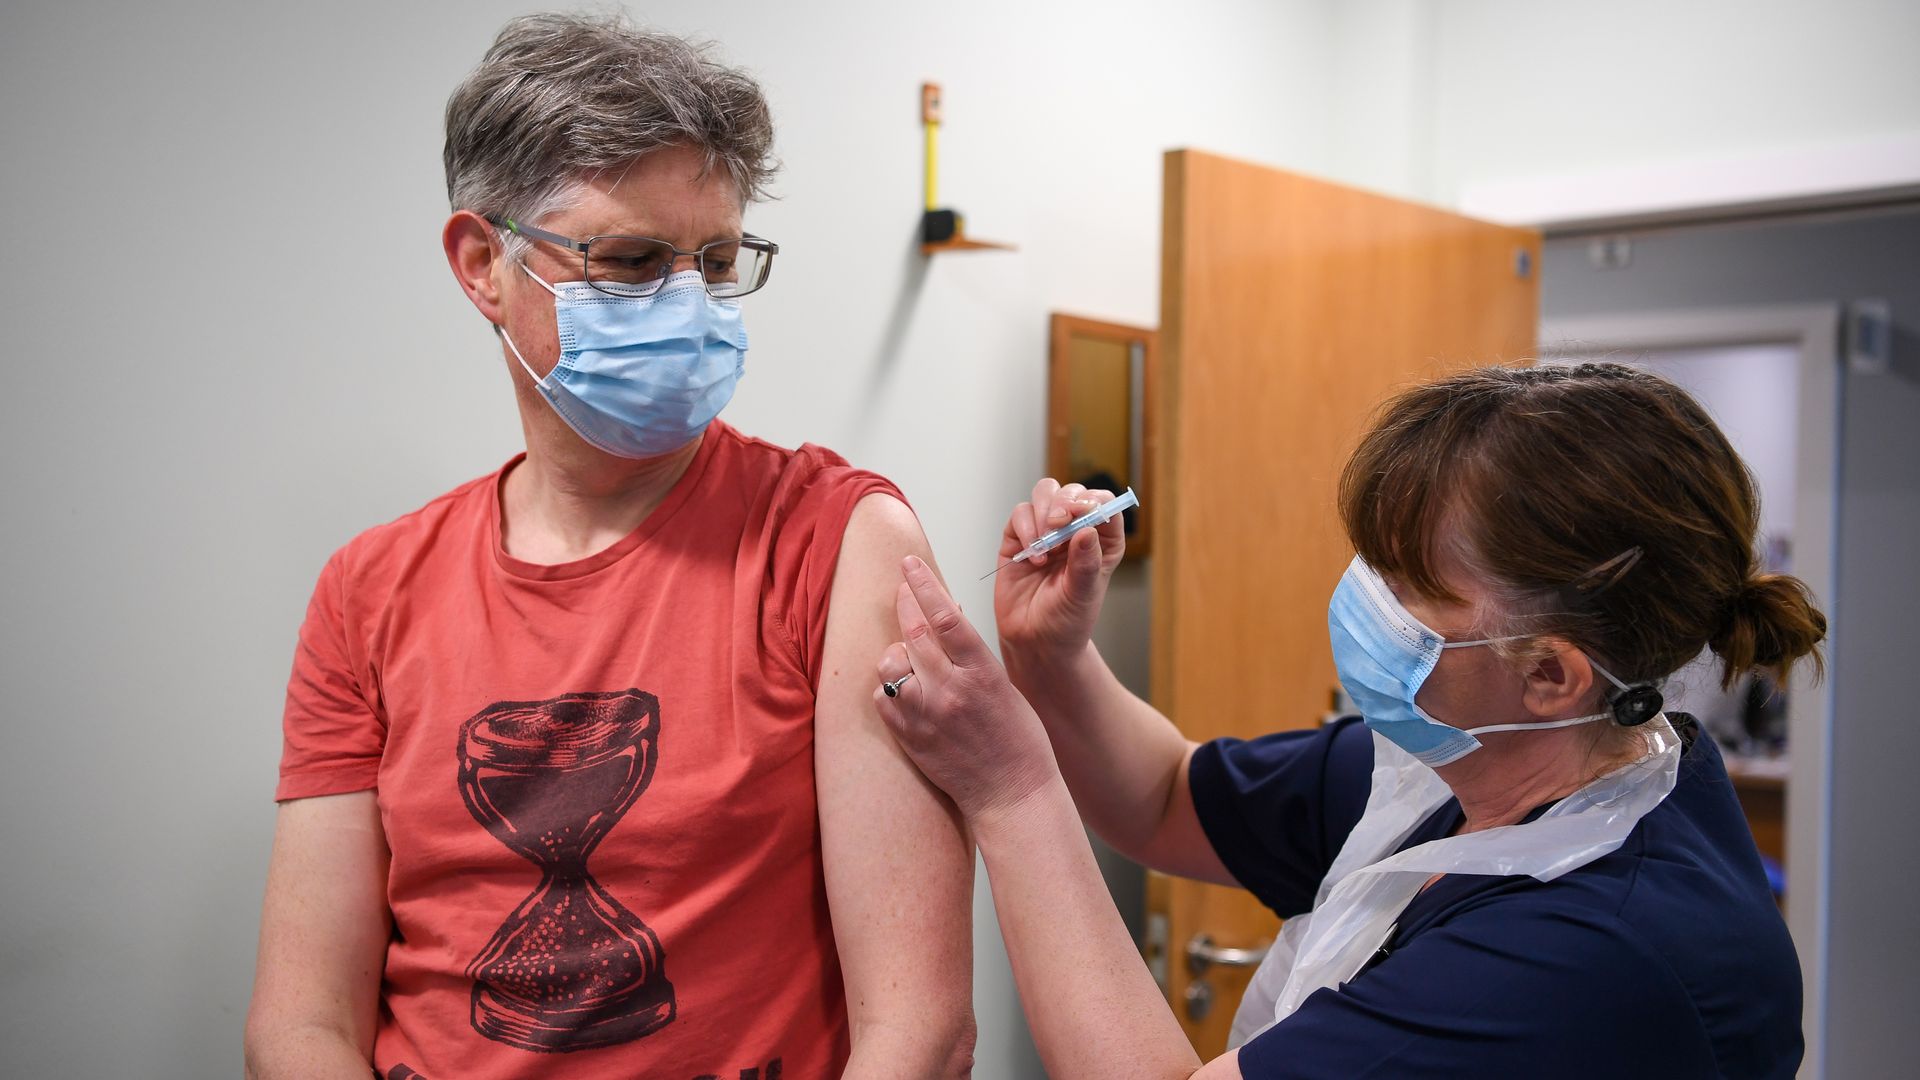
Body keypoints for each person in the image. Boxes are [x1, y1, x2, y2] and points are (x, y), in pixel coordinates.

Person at [243, 14, 975, 1080]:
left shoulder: (832, 541)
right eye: (630, 262)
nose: (687, 305)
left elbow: (920, 1031)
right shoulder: (369, 590)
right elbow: (298, 1025)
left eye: (717, 261)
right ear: (483, 264)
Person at [874, 363, 1822, 1078]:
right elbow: (1165, 798)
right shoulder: (1464, 772)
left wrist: (1011, 788)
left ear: (1549, 674)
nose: (1361, 595)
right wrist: (1053, 656)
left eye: (1407, 584)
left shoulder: (1594, 949)